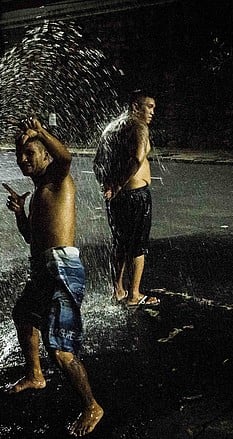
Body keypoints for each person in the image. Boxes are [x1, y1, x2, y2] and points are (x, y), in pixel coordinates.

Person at [2, 117, 104, 437]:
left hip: (62, 269)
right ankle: (35, 375)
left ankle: (92, 405)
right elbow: (32, 239)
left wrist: (41, 132)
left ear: (45, 155)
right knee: (24, 315)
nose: (23, 159)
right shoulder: (38, 192)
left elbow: (67, 157)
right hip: (43, 269)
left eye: (30, 152)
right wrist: (20, 212)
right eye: (20, 154)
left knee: (60, 349)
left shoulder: (58, 178)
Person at [93, 90, 159, 308]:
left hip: (117, 198)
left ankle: (118, 290)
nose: (152, 112)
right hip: (136, 195)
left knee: (120, 244)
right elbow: (138, 158)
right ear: (135, 106)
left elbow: (98, 161)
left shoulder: (113, 127)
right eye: (148, 106)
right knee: (138, 247)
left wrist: (109, 186)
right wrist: (119, 184)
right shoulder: (139, 127)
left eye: (153, 108)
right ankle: (134, 295)